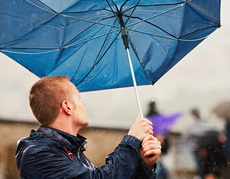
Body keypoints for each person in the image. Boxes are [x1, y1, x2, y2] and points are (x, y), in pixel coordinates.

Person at [16, 76, 161, 178]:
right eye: (79, 98)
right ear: (67, 106)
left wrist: (144, 165)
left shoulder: (70, 151)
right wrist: (132, 139)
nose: (83, 104)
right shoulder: (38, 154)